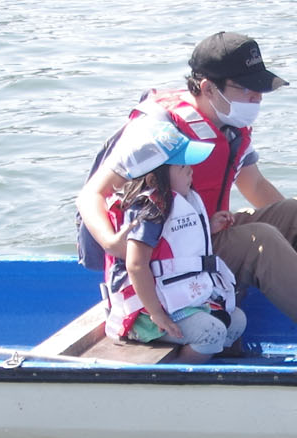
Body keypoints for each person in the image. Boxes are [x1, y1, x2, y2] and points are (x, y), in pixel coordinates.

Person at [76, 31, 297, 358]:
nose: (257, 98)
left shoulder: (229, 125)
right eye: (249, 90)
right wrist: (111, 242)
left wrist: (296, 240)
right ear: (208, 87)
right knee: (260, 241)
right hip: (168, 255)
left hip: (207, 234)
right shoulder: (158, 129)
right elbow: (92, 194)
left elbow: (255, 187)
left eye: (260, 90)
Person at [102, 123, 247, 361]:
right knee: (212, 332)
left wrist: (209, 227)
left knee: (237, 321)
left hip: (181, 301)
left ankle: (202, 362)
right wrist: (157, 313)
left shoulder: (182, 200)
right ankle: (183, 378)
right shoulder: (149, 211)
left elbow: (175, 244)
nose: (191, 171)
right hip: (145, 314)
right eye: (182, 166)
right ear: (153, 177)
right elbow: (136, 265)